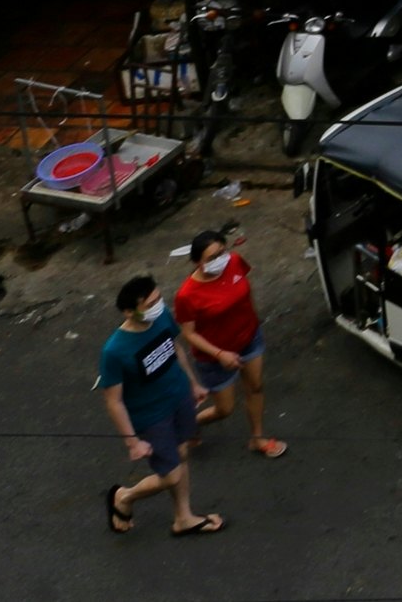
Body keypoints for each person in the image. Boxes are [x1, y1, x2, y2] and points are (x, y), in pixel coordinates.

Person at [96, 275, 223, 537]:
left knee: (183, 455)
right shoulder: (114, 351)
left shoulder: (161, 316)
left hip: (179, 399)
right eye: (150, 303)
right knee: (171, 475)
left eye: (158, 299)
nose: (158, 305)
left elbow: (174, 348)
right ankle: (124, 497)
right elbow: (113, 401)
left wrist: (193, 384)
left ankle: (183, 518)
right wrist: (133, 442)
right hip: (152, 418)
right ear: (129, 312)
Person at [176, 229, 286, 460]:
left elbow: (245, 290)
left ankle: (257, 438)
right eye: (212, 257)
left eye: (222, 252)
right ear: (197, 262)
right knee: (225, 409)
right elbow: (189, 334)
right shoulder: (187, 295)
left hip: (249, 339)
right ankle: (190, 423)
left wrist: (253, 320)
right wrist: (220, 354)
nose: (220, 260)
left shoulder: (235, 262)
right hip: (215, 359)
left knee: (255, 387)